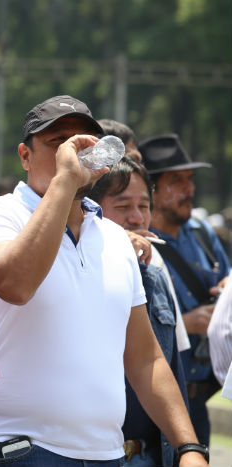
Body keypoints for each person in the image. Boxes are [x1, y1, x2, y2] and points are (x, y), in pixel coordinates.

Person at [0, 95, 208, 466]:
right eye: (56, 142)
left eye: (82, 143)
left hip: (106, 455)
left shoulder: (112, 237)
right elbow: (15, 283)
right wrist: (65, 182)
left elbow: (145, 360)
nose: (72, 154)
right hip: (19, 452)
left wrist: (189, 447)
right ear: (25, 156)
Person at [87, 156, 190, 466]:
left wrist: (187, 449)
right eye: (122, 207)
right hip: (95, 454)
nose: (136, 218)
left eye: (144, 206)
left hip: (152, 454)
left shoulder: (156, 278)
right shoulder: (76, 273)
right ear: (91, 210)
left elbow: (169, 370)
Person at [141, 133, 230, 446]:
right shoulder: (138, 241)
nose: (189, 189)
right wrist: (186, 324)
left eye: (189, 180)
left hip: (206, 394)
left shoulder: (202, 232)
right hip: (157, 400)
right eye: (176, 181)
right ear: (150, 188)